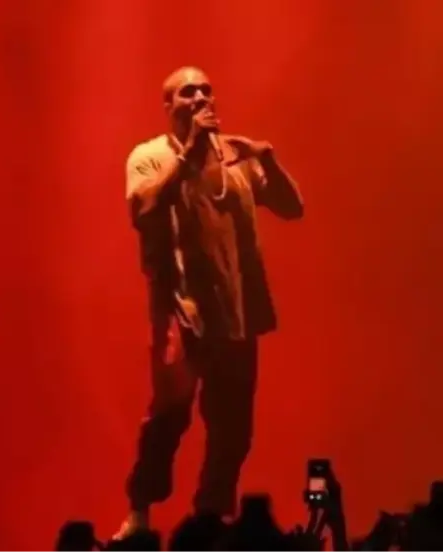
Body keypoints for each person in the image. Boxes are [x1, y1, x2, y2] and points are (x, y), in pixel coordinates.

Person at [115, 66, 303, 539]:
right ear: (169, 106)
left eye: (206, 89)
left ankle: (209, 522)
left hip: (237, 315)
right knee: (168, 418)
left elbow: (292, 207)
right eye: (187, 92)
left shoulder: (235, 157)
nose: (200, 97)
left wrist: (269, 160)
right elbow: (143, 208)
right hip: (181, 312)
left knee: (233, 428)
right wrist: (190, 153)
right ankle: (139, 513)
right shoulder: (149, 156)